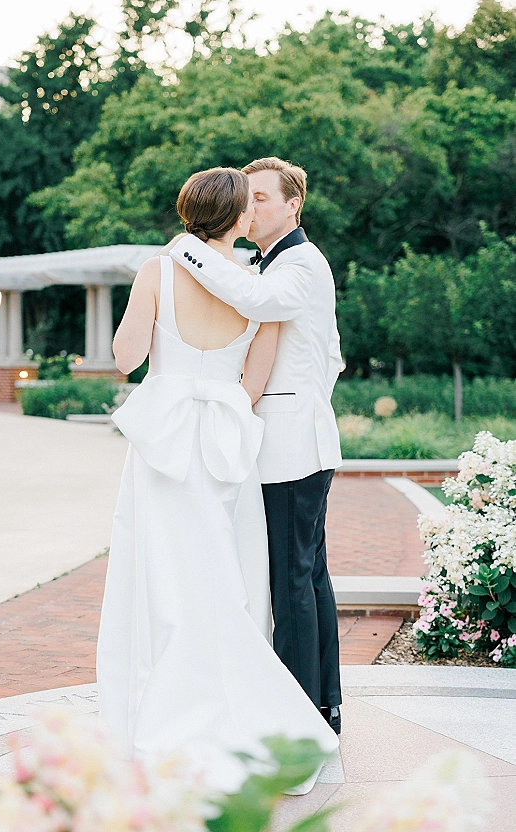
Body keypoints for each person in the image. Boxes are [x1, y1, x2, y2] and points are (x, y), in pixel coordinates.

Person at [97, 167, 339, 794]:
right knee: (230, 578)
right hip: (227, 441)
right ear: (238, 220)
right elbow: (252, 387)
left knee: (157, 577)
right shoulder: (261, 286)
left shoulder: (160, 269)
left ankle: (157, 712)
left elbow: (126, 360)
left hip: (164, 438)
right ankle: (256, 710)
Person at [169, 157, 343, 734]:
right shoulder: (276, 263)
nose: (253, 206)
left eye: (263, 198)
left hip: (292, 443)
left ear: (294, 204)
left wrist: (186, 247)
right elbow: (333, 354)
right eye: (250, 198)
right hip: (298, 437)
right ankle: (322, 705)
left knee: (291, 580)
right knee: (306, 575)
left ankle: (297, 717)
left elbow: (257, 302)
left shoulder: (299, 263)